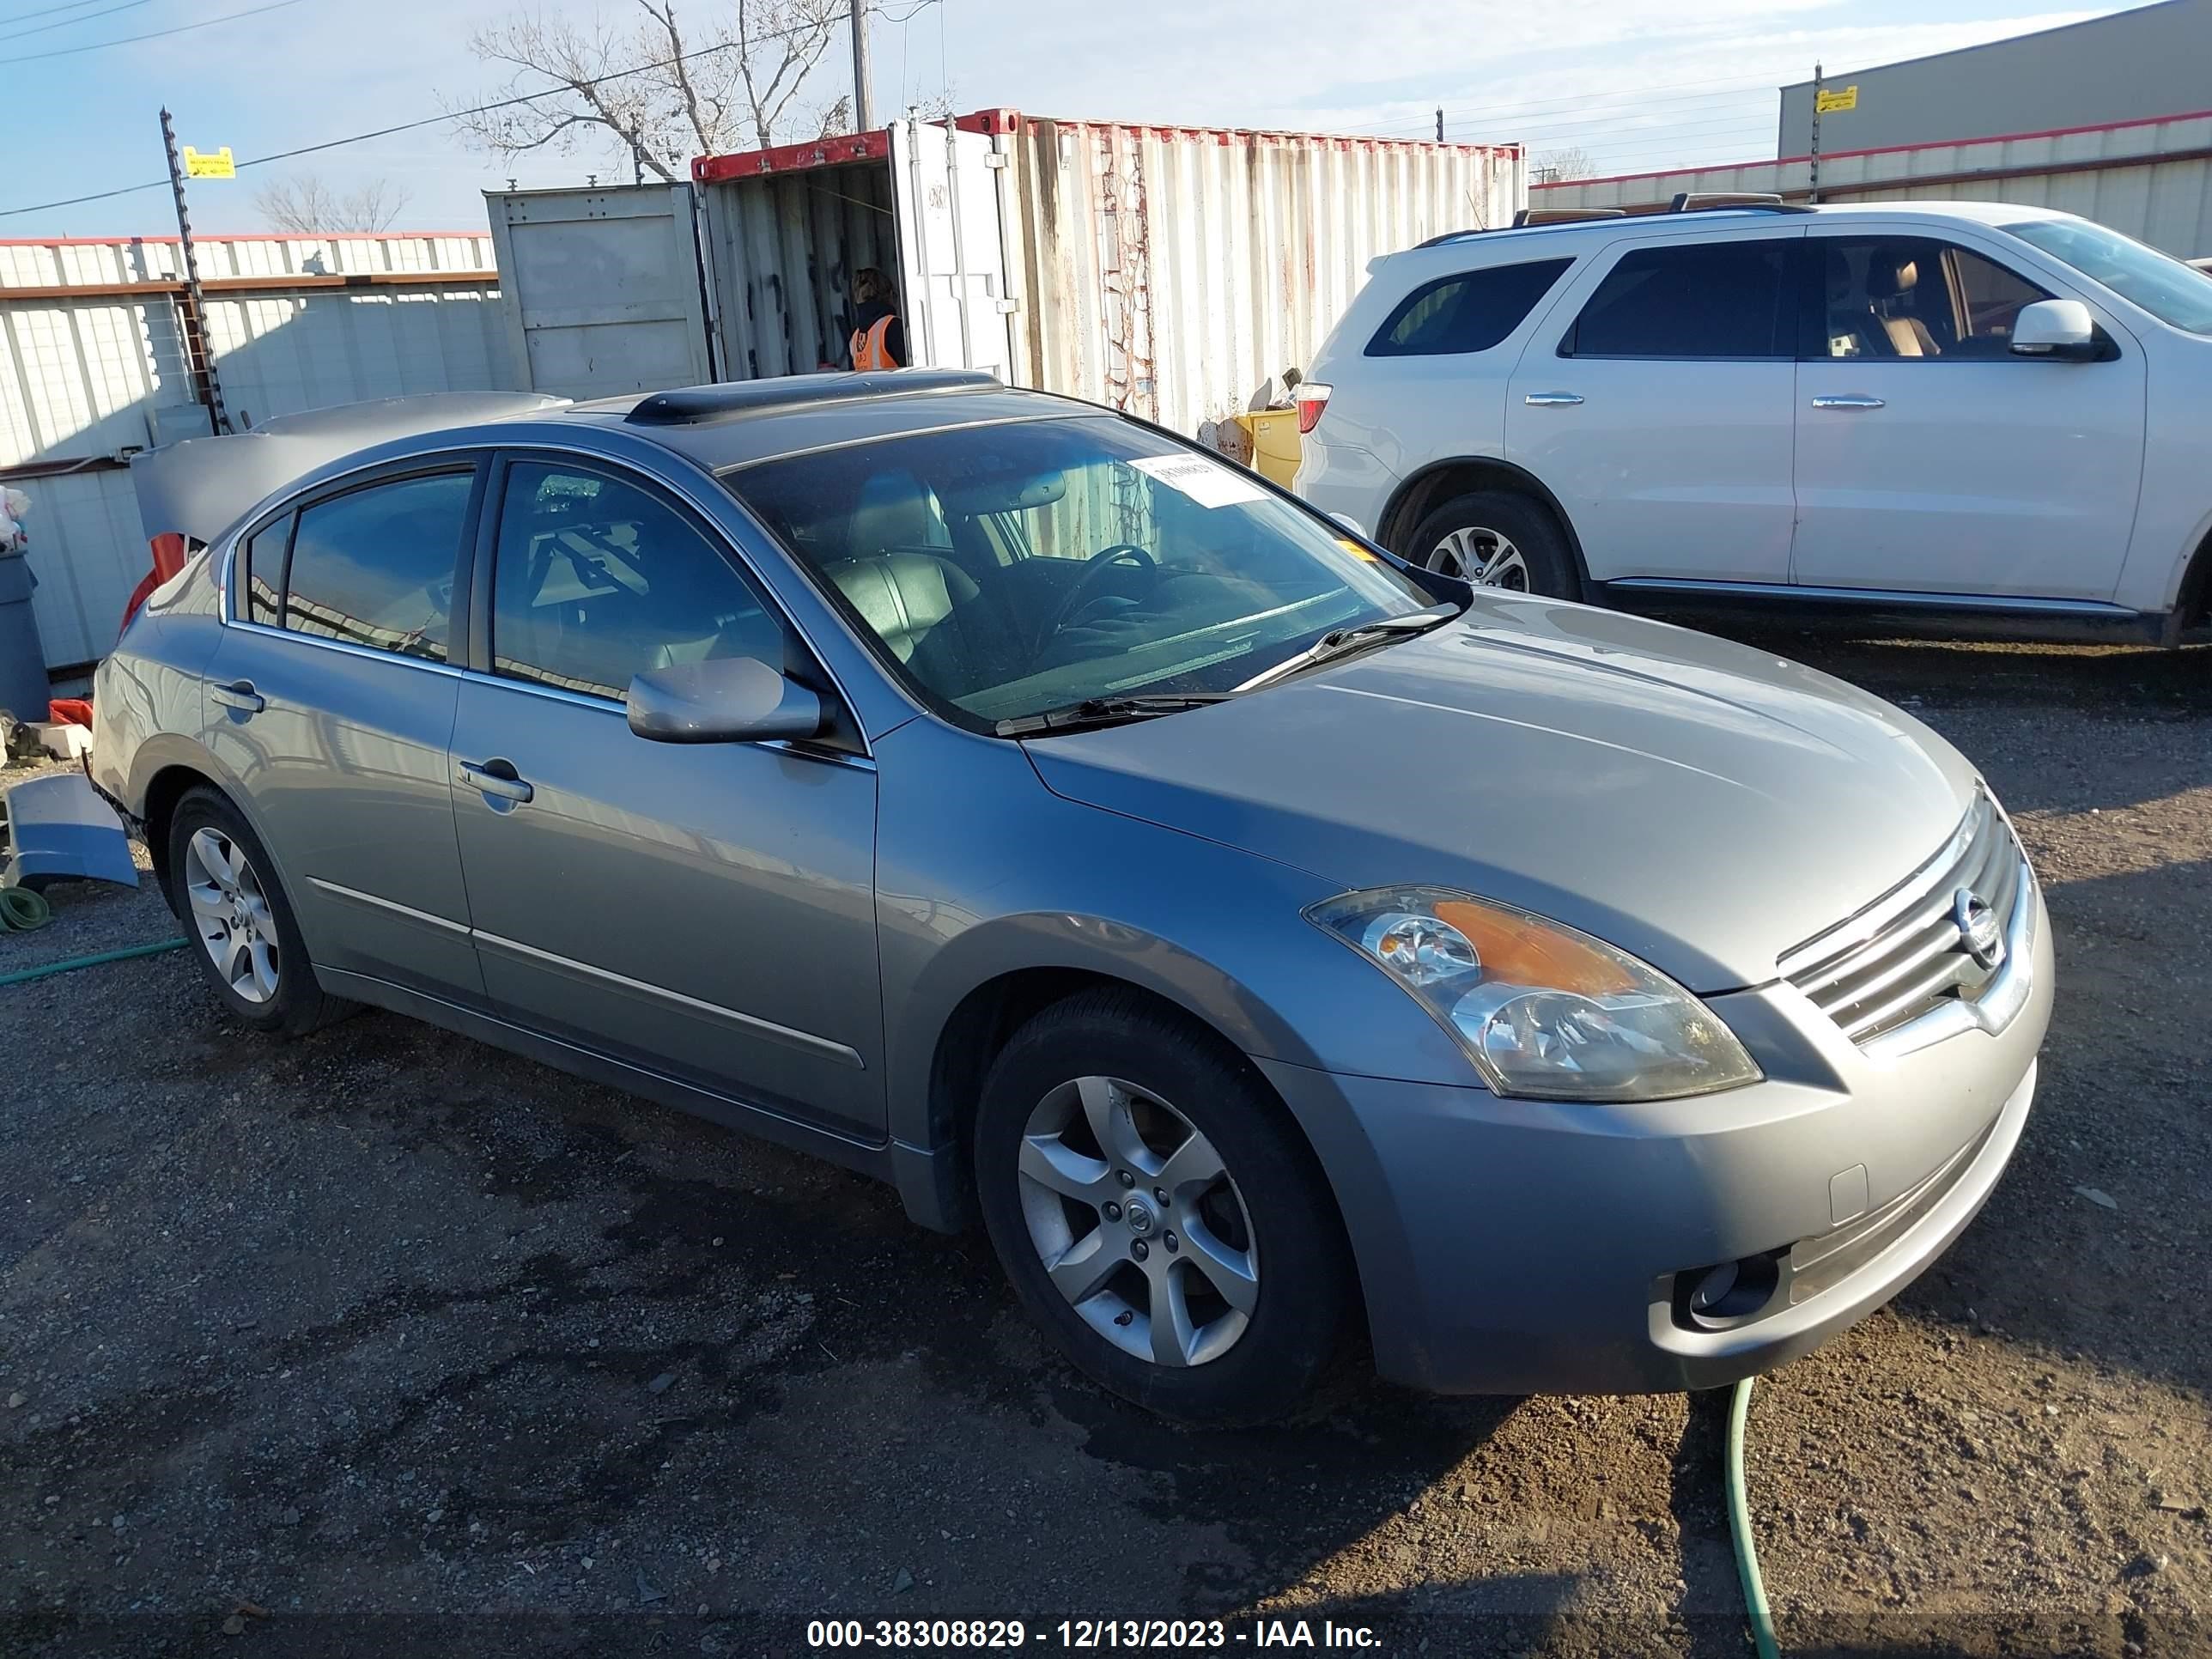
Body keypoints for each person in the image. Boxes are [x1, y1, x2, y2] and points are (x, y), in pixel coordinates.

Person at [848, 268, 906, 370]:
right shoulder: (893, 326)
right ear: (889, 294)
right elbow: (912, 372)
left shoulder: (855, 337)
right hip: (893, 386)